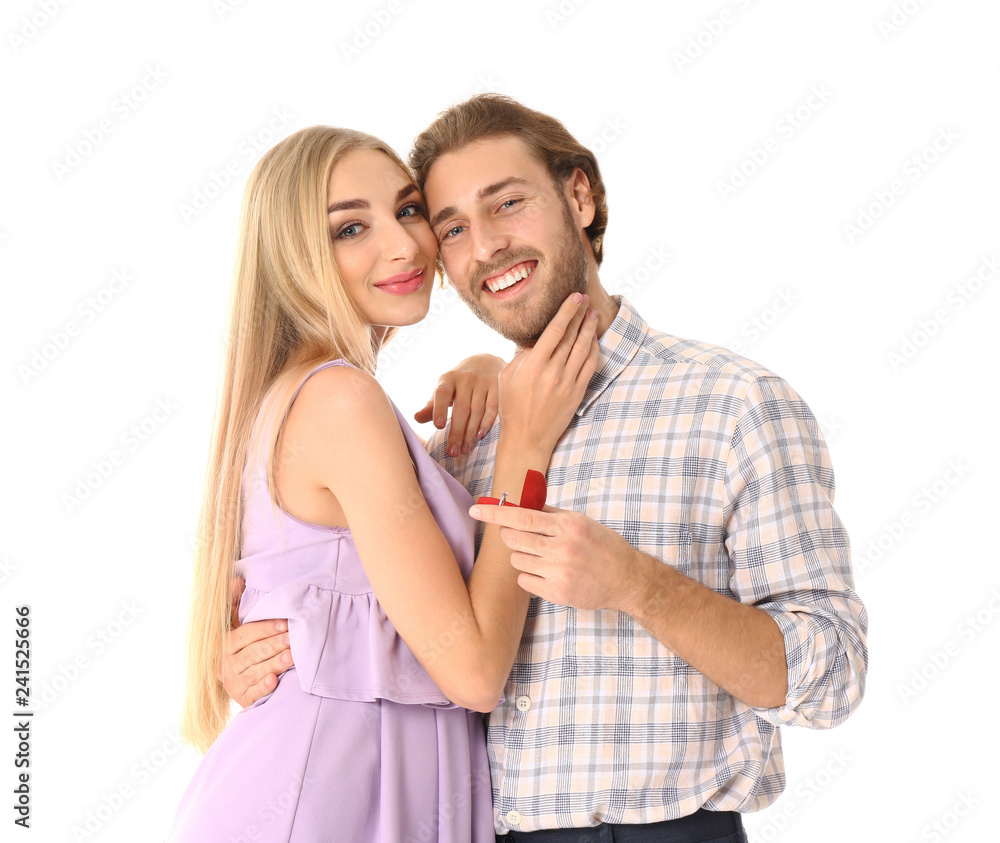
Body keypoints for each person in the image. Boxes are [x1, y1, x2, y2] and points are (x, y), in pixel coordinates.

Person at [225, 96, 869, 842]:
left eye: (508, 203)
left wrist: (638, 585)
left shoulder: (734, 405)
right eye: (454, 226)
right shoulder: (458, 440)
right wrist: (267, 648)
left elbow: (832, 678)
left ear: (580, 195)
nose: (488, 245)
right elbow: (407, 632)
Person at [171, 124, 599, 842]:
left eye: (406, 210)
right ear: (294, 255)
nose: (402, 246)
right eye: (349, 229)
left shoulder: (313, 398)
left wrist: (491, 376)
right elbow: (474, 671)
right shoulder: (339, 401)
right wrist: (525, 440)